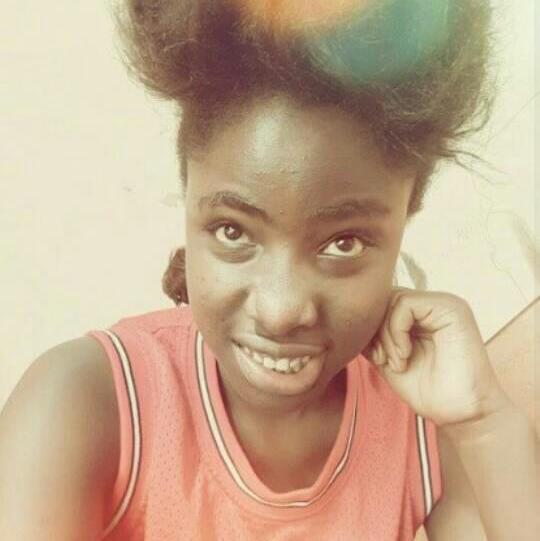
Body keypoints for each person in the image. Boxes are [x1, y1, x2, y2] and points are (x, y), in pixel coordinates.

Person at [0, 1, 537, 540]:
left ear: (406, 218)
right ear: (189, 197)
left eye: (343, 243)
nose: (281, 311)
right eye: (233, 232)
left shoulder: (423, 424)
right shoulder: (87, 404)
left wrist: (484, 425)